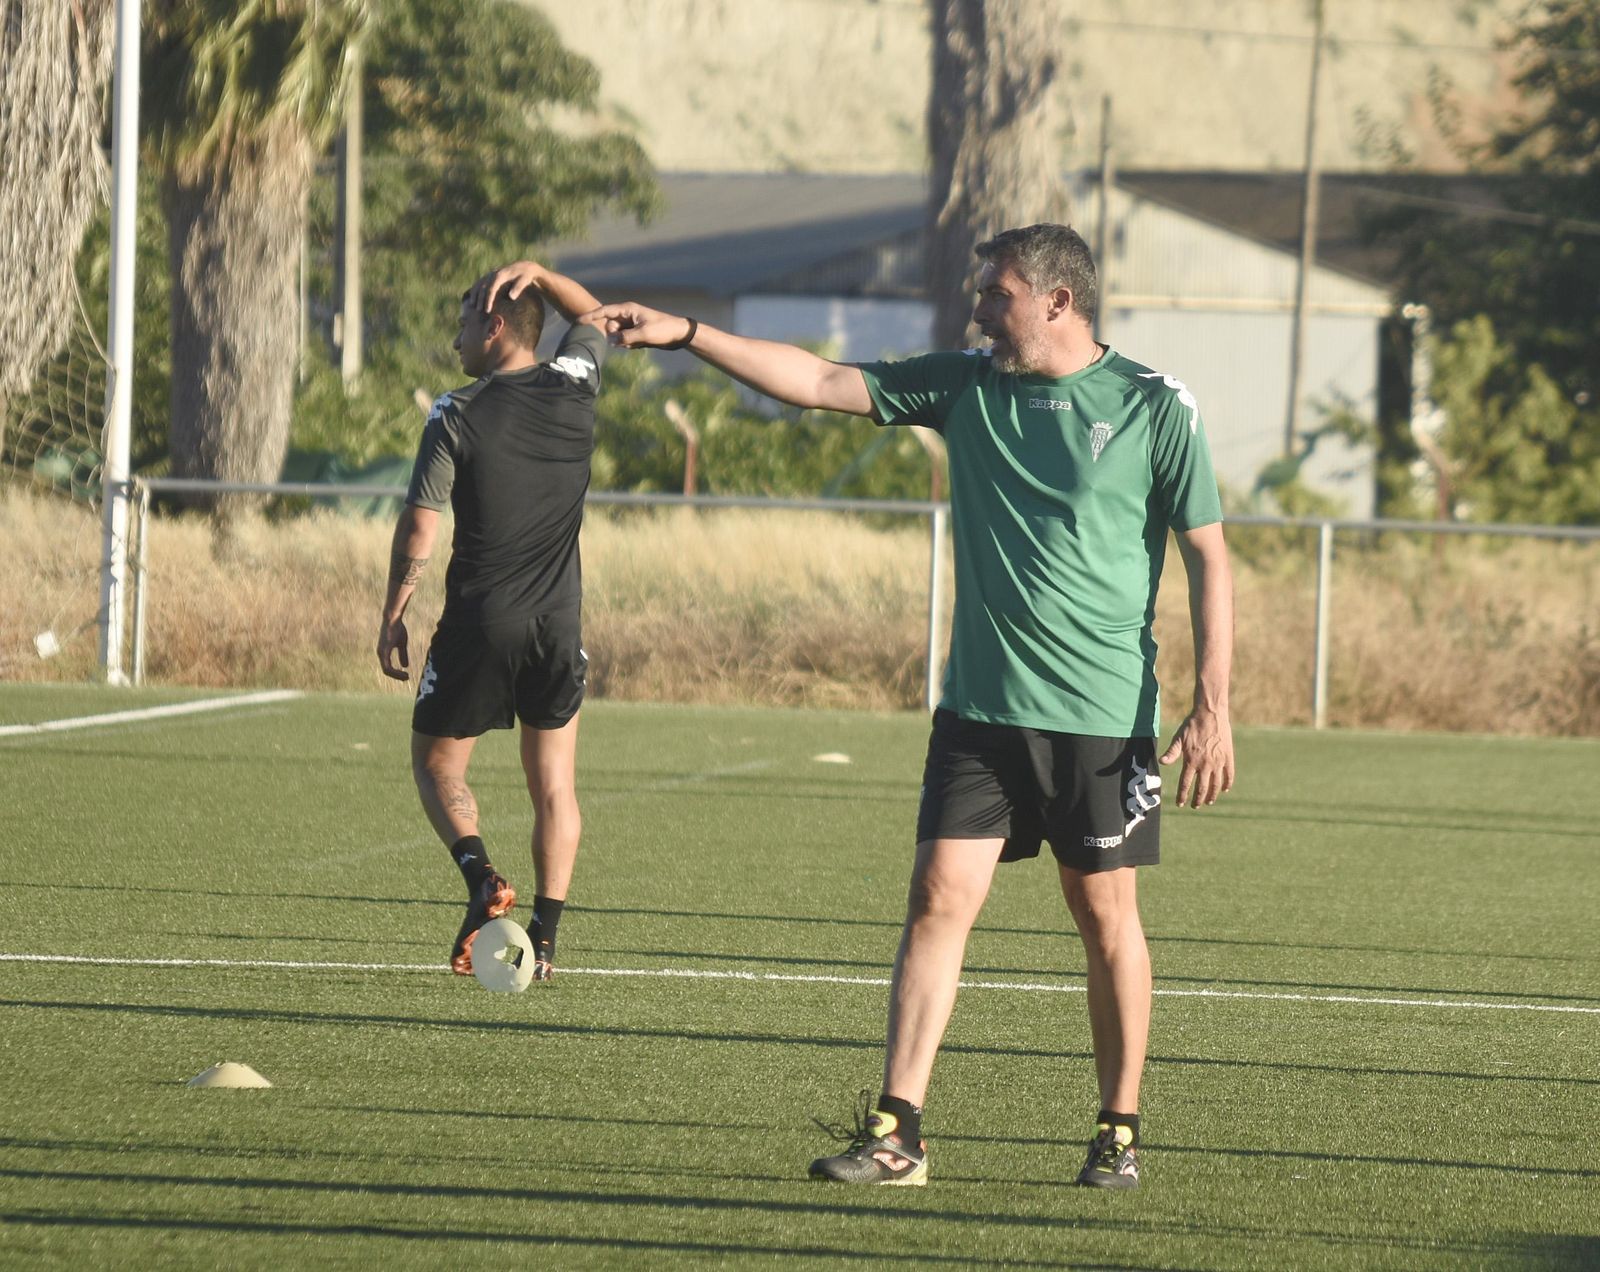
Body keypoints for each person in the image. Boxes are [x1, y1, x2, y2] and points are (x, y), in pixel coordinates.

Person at [490, 221, 1232, 1190]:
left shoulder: (1150, 406)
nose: (975, 306)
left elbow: (1208, 554)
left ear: (1057, 301)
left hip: (1101, 719)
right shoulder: (966, 385)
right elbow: (820, 380)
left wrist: (1213, 703)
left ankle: (1117, 1132)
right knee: (935, 900)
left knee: (1103, 920)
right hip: (980, 712)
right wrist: (687, 335)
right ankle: (898, 1132)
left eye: (994, 292)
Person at [377, 261, 608, 983]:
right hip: (557, 623)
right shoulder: (576, 384)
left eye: (464, 322)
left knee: (436, 763)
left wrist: (393, 613)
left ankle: (481, 877)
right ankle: (543, 938)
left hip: (481, 621)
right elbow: (596, 314)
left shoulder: (457, 411)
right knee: (556, 787)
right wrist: (541, 271)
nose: (454, 340)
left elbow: (420, 527)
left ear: (496, 326)